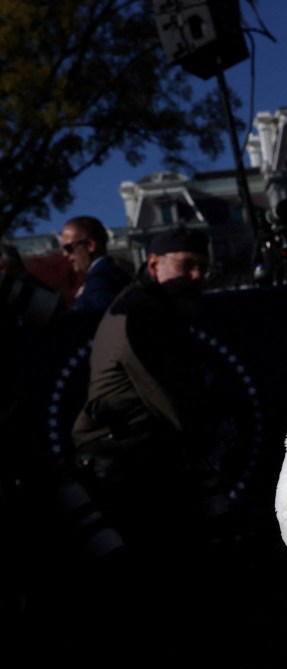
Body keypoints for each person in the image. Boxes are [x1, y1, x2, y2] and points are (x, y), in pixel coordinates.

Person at [71, 226, 225, 548]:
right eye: (186, 265)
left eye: (202, 267)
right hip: (129, 469)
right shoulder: (142, 314)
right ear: (154, 264)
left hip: (135, 461)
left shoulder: (150, 307)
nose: (197, 276)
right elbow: (175, 403)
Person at [60, 215, 130, 312]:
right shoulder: (113, 274)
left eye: (68, 248)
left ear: (90, 245)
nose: (65, 254)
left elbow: (100, 321)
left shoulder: (100, 281)